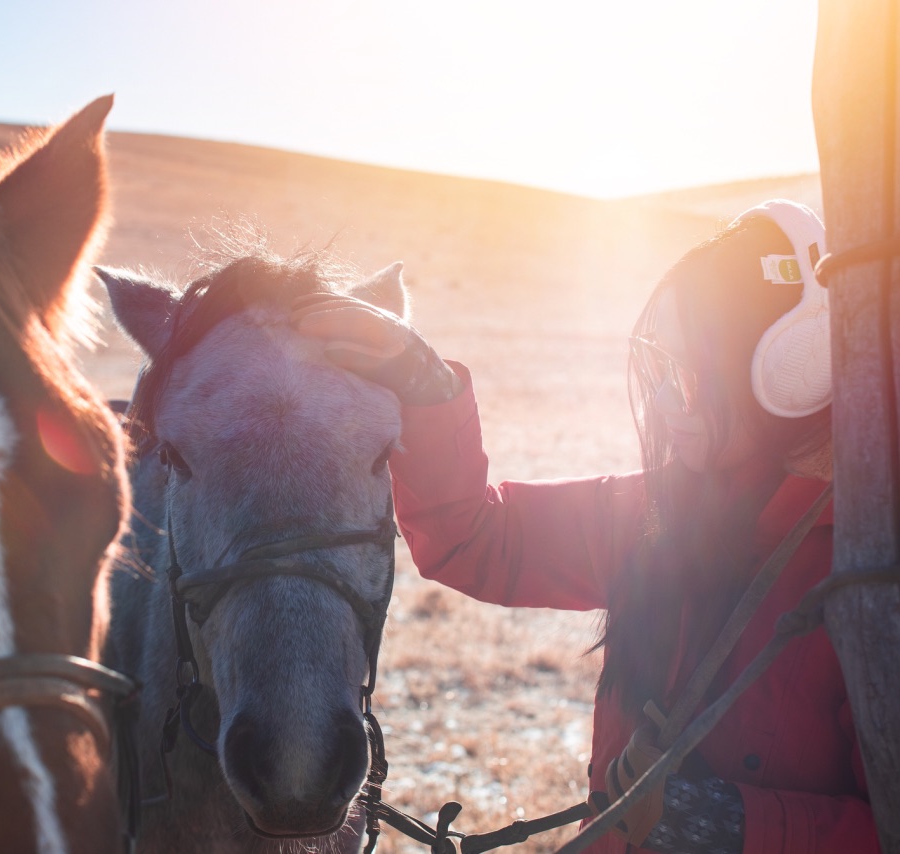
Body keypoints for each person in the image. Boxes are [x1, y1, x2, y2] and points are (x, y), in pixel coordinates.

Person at [292, 200, 878, 854]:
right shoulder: (654, 517)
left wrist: (737, 827)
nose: (664, 400)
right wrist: (425, 388)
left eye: (691, 375)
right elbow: (476, 538)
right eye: (663, 367)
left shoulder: (871, 569)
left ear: (787, 374)